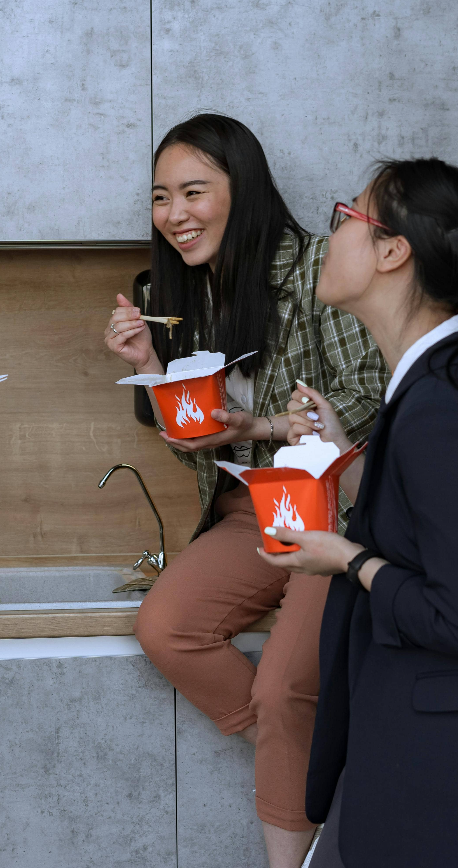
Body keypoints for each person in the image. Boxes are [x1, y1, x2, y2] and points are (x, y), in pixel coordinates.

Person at [259, 158, 458, 866]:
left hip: (456, 759)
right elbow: (435, 528)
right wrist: (348, 458)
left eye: (346, 219)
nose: (329, 236)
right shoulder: (436, 382)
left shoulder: (439, 404)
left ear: (392, 251)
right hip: (439, 741)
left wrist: (346, 558)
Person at [104, 113, 386, 867]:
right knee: (167, 628)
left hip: (331, 512)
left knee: (287, 687)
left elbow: (373, 393)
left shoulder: (324, 267)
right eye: (162, 198)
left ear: (245, 190)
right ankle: (320, 762)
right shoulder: (186, 296)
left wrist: (260, 427)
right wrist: (151, 366)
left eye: (194, 191)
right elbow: (201, 439)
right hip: (246, 510)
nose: (175, 215)